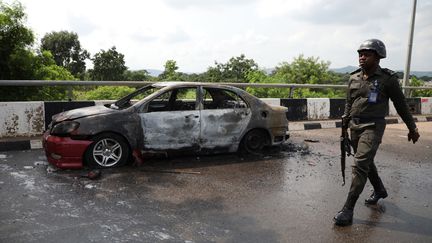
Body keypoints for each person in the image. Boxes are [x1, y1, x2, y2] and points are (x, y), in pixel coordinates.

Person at [333, 39, 421, 226]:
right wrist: (345, 121)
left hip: (373, 126)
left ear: (378, 57)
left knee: (360, 164)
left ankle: (348, 209)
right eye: (360, 54)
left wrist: (412, 127)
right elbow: (349, 102)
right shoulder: (353, 77)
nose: (362, 57)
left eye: (367, 54)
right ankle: (379, 189)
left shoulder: (387, 79)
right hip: (354, 126)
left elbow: (401, 105)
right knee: (366, 161)